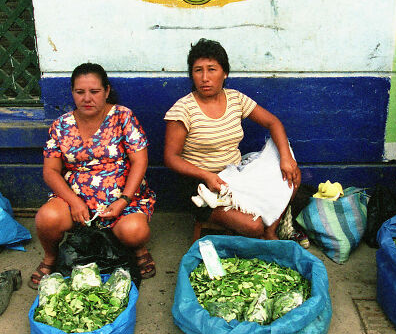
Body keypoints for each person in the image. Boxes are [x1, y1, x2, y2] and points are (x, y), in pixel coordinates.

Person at [29, 63, 156, 288]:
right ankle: (50, 258)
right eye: (80, 92)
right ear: (72, 93)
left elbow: (140, 161)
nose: (87, 98)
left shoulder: (123, 117)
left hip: (122, 200)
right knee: (47, 218)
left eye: (94, 92)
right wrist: (74, 202)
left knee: (134, 232)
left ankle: (138, 248)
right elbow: (50, 171)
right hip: (76, 202)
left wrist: (123, 200)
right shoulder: (61, 126)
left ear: (106, 91)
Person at [164, 38, 301, 239]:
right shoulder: (183, 109)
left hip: (237, 175)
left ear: (225, 73)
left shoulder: (235, 98)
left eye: (212, 69)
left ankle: (271, 230)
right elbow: (171, 158)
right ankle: (262, 230)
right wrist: (206, 175)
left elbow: (274, 123)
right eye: (198, 70)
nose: (204, 78)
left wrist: (286, 159)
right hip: (201, 185)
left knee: (292, 176)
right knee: (253, 226)